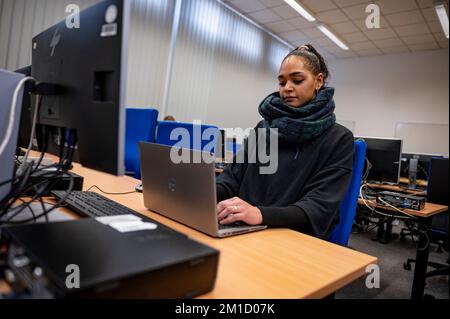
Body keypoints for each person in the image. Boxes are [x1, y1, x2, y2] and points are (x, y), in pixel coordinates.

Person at [216, 44, 354, 239]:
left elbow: (317, 208)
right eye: (281, 83)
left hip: (293, 238)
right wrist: (202, 192)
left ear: (319, 81)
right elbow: (231, 180)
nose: (287, 88)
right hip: (244, 230)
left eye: (297, 80)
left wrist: (259, 214)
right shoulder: (264, 129)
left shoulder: (338, 139)